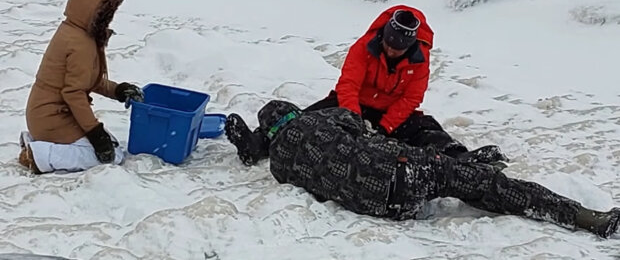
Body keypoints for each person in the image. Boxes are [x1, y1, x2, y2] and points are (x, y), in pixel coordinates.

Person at [224, 100, 620, 238]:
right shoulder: (321, 119)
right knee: (490, 187)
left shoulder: (278, 165)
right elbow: (359, 126)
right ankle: (586, 218)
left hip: (382, 205)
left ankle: (462, 168)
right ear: (293, 112)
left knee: (451, 177)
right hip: (403, 171)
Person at [306, 5, 500, 160]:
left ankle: (462, 158)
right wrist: (353, 119)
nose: (391, 52)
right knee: (308, 119)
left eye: (397, 49)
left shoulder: (420, 61)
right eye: (388, 46)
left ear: (409, 46)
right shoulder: (363, 47)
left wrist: (384, 128)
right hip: (354, 105)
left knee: (429, 130)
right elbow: (348, 85)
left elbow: (411, 98)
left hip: (391, 115)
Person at [18, 0, 144, 174]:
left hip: (43, 112)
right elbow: (74, 93)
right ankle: (39, 155)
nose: (109, 19)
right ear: (93, 13)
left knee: (111, 145)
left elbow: (86, 79)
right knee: (112, 157)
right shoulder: (80, 45)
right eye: (105, 14)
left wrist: (117, 90)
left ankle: (37, 140)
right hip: (52, 117)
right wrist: (96, 134)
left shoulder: (72, 31)